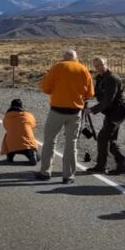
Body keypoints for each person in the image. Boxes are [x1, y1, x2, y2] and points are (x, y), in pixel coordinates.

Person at [35, 49, 94, 184]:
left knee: (50, 140)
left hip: (57, 111)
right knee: (71, 143)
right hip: (75, 112)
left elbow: (46, 88)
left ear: (64, 57)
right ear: (76, 58)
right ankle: (68, 176)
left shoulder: (57, 68)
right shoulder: (84, 70)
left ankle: (45, 172)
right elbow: (90, 93)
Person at [86, 57, 125, 175]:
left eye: (101, 65)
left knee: (104, 137)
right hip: (111, 111)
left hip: (118, 110)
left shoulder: (111, 78)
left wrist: (91, 110)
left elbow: (108, 100)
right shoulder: (101, 78)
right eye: (96, 66)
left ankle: (114, 165)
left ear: (106, 64)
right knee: (108, 138)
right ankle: (112, 166)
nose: (99, 68)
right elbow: (98, 94)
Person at [1, 99, 40, 165]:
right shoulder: (28, 115)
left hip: (12, 146)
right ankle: (32, 153)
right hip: (27, 146)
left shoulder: (7, 116)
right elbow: (33, 125)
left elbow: (6, 127)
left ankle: (10, 157)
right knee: (39, 158)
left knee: (8, 134)